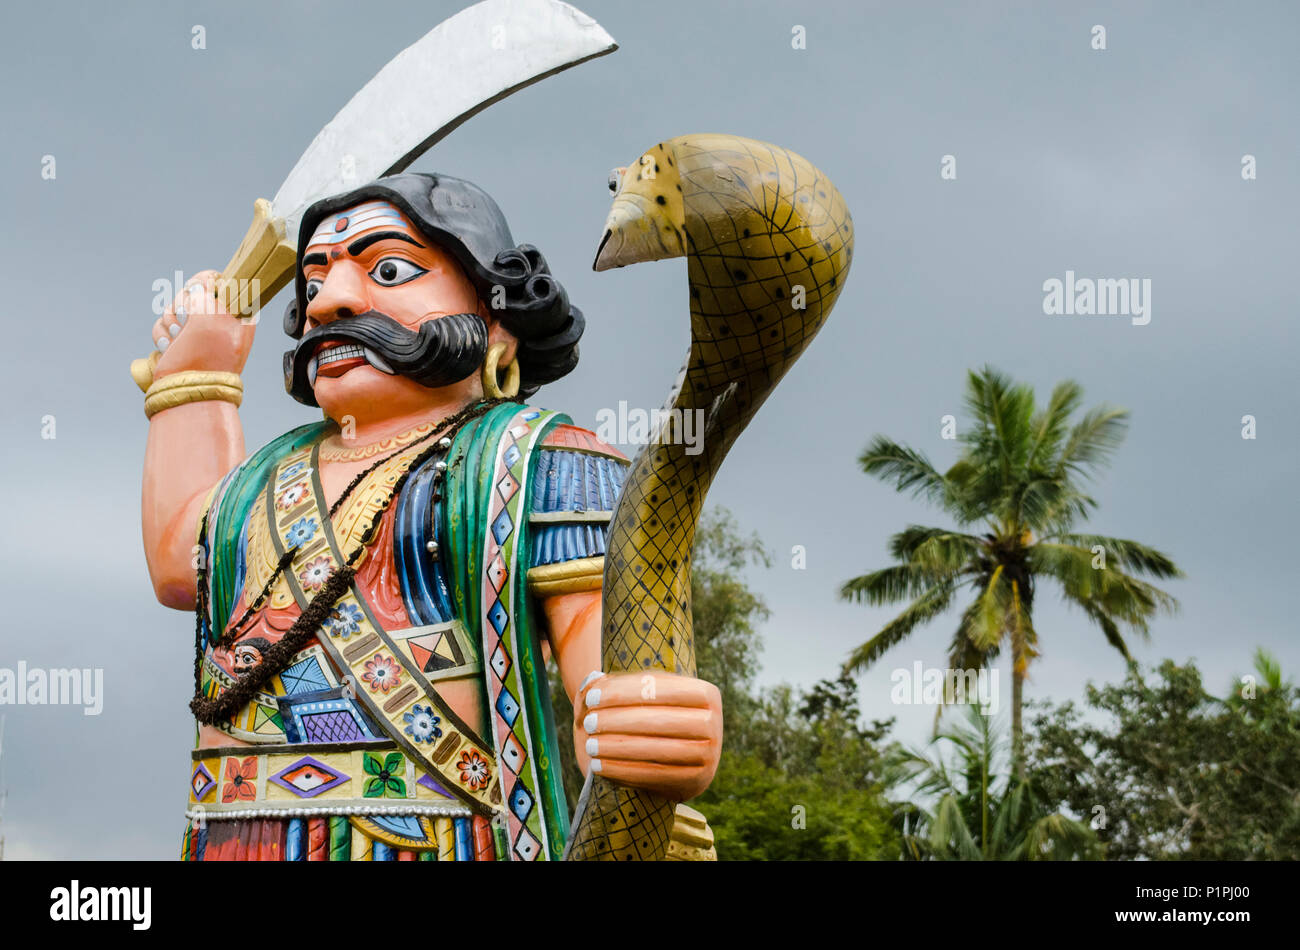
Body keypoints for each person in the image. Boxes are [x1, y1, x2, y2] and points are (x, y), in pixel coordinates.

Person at [138, 173, 722, 861]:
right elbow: (183, 563)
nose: (331, 303)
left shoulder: (546, 465)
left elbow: (611, 667)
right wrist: (193, 381)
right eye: (314, 282)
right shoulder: (263, 477)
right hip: (235, 838)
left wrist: (643, 723)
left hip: (437, 838)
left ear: (497, 321)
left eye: (388, 268)